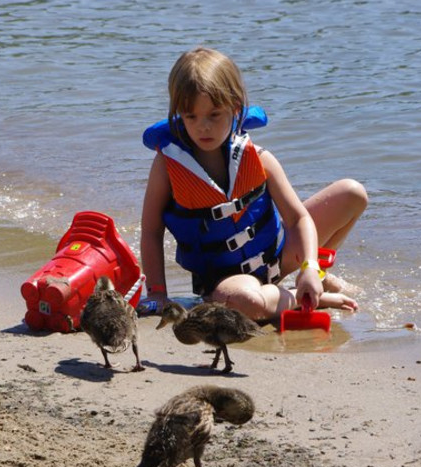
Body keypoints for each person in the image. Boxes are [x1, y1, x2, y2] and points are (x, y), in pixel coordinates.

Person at [140, 47, 367, 321]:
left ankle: (315, 277)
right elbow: (152, 231)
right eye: (191, 116)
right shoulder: (167, 166)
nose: (203, 127)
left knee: (352, 193)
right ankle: (302, 297)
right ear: (179, 114)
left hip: (280, 255)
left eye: (214, 114)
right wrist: (157, 293)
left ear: (236, 108)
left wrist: (307, 265)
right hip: (229, 283)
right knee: (245, 302)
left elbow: (298, 219)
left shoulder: (259, 158)